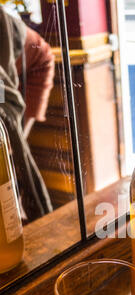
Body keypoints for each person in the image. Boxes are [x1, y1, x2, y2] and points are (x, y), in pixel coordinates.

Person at [0, 6, 53, 221]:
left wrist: (13, 139)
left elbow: (4, 99)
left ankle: (25, 217)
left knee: (10, 148)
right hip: (7, 84)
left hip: (34, 66)